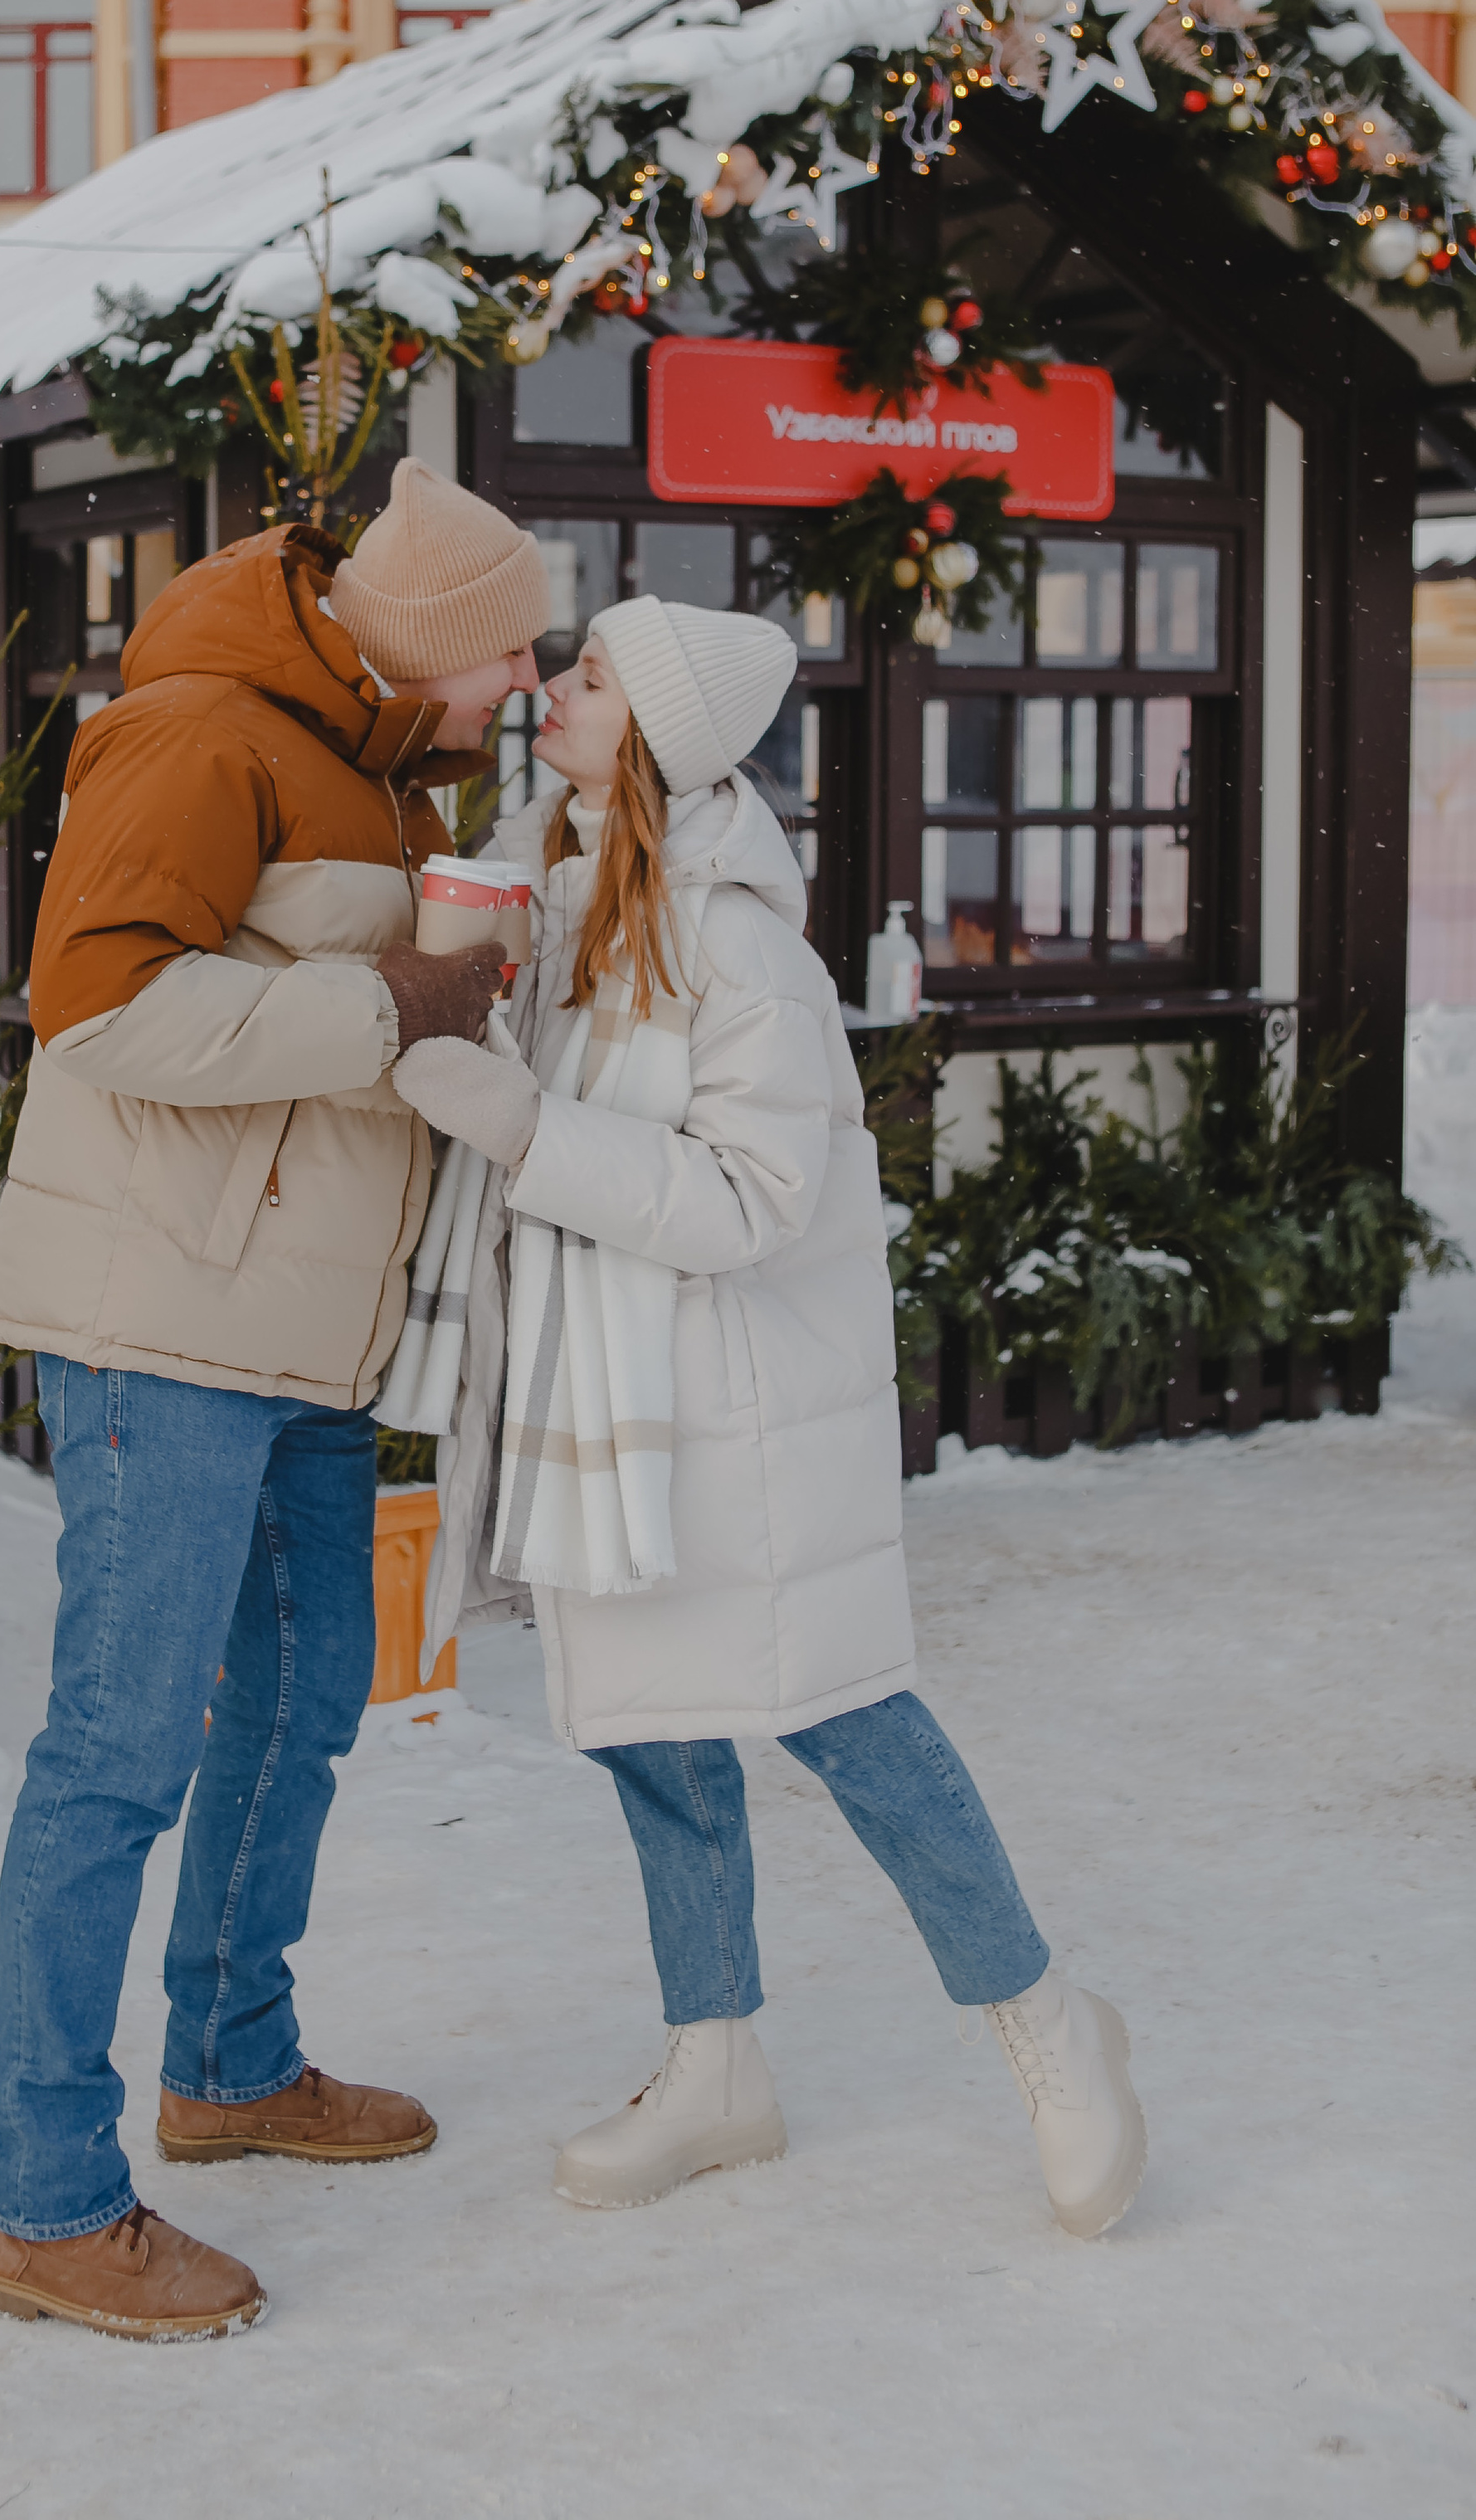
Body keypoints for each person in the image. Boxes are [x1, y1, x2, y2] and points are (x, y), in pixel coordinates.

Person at [389, 598, 1147, 2239]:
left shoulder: (742, 953)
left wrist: (525, 1128)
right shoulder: (556, 897)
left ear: (656, 737)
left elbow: (748, 1201)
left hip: (730, 1414)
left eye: (591, 677)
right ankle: (713, 2062)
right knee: (652, 1737)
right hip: (602, 1409)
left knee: (850, 1724)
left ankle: (1046, 2023)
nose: (553, 689)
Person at [0, 461, 548, 2341]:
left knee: (302, 1700)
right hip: (165, 1322)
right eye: (511, 655)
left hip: (302, 1334)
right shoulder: (202, 733)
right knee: (120, 1748)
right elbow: (97, 1010)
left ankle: (228, 2061)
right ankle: (43, 2203)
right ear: (434, 641)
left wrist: (455, 986)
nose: (526, 686)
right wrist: (393, 1003)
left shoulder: (384, 763)